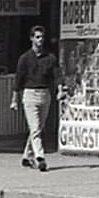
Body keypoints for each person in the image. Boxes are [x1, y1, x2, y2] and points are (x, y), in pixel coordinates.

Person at [11, 26, 69, 172]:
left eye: (42, 37)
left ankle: (26, 156)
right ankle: (40, 157)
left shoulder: (50, 57)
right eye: (37, 37)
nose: (40, 40)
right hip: (30, 94)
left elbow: (57, 75)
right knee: (35, 128)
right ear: (31, 39)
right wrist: (14, 99)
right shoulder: (25, 58)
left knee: (38, 128)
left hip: (45, 95)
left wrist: (60, 89)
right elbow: (18, 79)